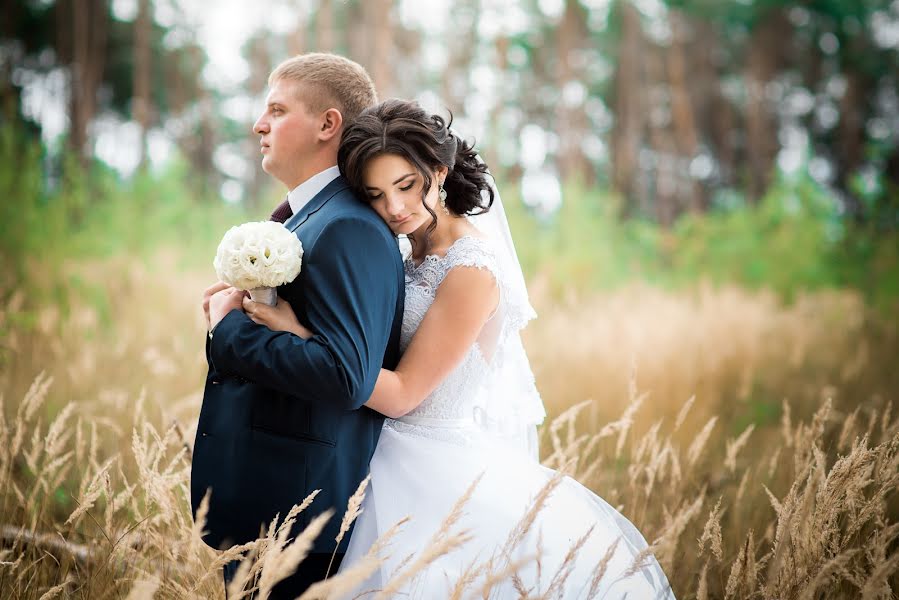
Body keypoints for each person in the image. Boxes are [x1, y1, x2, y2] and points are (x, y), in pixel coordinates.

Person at [246, 99, 675, 598]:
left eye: (407, 186)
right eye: (377, 194)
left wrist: (300, 335)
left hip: (430, 471)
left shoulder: (471, 270)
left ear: (439, 172)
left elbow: (405, 393)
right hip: (378, 452)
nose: (395, 208)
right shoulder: (409, 249)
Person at [191, 54, 405, 598]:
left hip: (301, 514)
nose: (258, 125)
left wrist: (229, 331)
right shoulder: (306, 216)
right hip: (266, 501)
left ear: (327, 124)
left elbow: (347, 377)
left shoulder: (349, 227)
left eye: (277, 110)